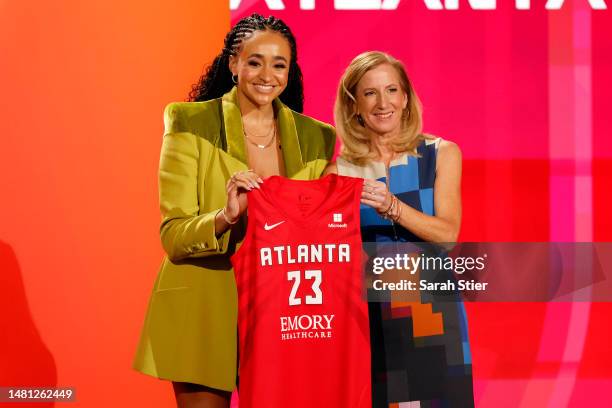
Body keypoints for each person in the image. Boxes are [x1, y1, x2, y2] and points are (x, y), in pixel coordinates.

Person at [133, 14, 335, 408]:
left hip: (284, 313)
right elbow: (173, 237)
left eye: (280, 64)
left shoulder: (318, 137)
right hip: (204, 308)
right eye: (254, 61)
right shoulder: (189, 121)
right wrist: (225, 216)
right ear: (233, 63)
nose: (267, 74)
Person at [325, 51, 474, 407]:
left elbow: (447, 235)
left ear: (405, 98)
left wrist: (392, 206)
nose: (383, 103)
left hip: (435, 315)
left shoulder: (441, 153)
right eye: (370, 93)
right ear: (354, 104)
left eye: (392, 90)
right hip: (373, 319)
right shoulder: (338, 172)